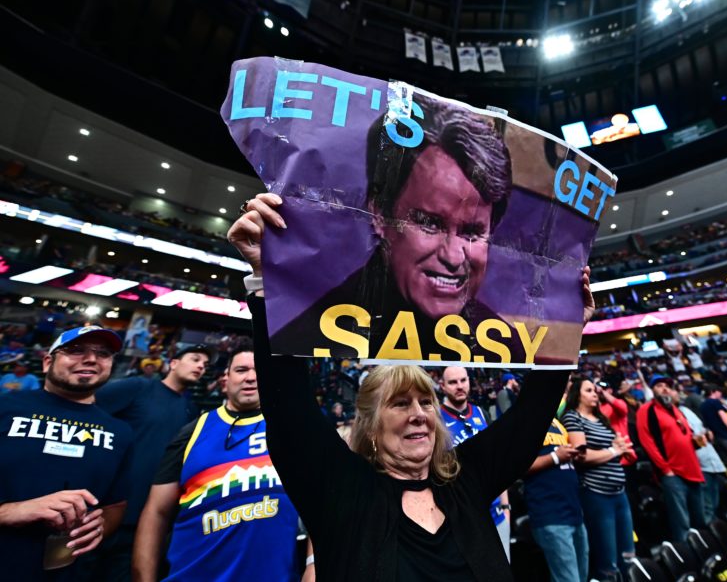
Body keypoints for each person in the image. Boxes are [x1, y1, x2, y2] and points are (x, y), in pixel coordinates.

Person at [227, 194, 594, 581]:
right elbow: (290, 412)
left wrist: (567, 329)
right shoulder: (341, 491)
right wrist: (268, 284)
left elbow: (530, 416)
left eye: (425, 401)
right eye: (400, 404)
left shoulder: (466, 479)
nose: (419, 414)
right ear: (369, 425)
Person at [267, 95, 523, 362]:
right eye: (429, 223)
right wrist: (259, 278)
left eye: (471, 232)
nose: (454, 256)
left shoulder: (507, 347)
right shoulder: (309, 334)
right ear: (379, 213)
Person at [132, 345, 302, 582]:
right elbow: (156, 512)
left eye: (259, 370)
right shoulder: (193, 431)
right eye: (241, 370)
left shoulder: (294, 431)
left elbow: (323, 505)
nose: (251, 377)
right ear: (225, 379)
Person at [0, 326, 134, 581]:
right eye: (75, 350)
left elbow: (116, 504)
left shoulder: (120, 432)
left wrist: (101, 526)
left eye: (103, 353)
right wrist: (11, 512)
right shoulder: (5, 408)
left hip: (69, 572)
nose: (92, 359)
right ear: (47, 361)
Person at [92, 344, 211, 578]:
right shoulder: (138, 387)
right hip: (104, 511)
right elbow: (89, 408)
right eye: (195, 359)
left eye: (205, 365)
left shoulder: (191, 409)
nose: (200, 366)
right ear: (173, 363)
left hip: (146, 521)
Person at [562, 377, 635, 581]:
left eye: (595, 390)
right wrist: (614, 450)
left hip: (619, 493)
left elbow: (614, 447)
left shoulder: (601, 418)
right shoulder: (572, 417)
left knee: (628, 555)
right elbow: (581, 456)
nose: (595, 393)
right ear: (578, 394)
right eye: (589, 390)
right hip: (597, 494)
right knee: (608, 561)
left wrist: (618, 447)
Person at [439, 366, 510, 560]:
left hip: (496, 514)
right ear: (442, 386)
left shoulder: (481, 413)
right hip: (463, 519)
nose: (459, 386)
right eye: (453, 382)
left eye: (463, 380)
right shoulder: (435, 419)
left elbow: (495, 463)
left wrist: (506, 506)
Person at [636, 377, 705, 542]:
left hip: (692, 468)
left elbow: (686, 434)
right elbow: (647, 442)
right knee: (681, 521)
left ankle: (703, 549)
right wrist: (665, 469)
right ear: (653, 390)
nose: (665, 389)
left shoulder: (676, 409)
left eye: (667, 386)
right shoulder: (647, 410)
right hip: (672, 472)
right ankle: (686, 556)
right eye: (660, 386)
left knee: (699, 517)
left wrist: (698, 440)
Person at [522, 418, 588, 582]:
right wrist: (555, 457)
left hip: (574, 511)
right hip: (550, 513)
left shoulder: (557, 422)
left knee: (581, 576)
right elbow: (518, 467)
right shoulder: (524, 420)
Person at [678, 400, 727, 524]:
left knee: (715, 503)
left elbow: (700, 429)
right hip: (698, 463)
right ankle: (707, 536)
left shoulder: (685, 409)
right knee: (706, 506)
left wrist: (706, 432)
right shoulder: (672, 414)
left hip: (709, 459)